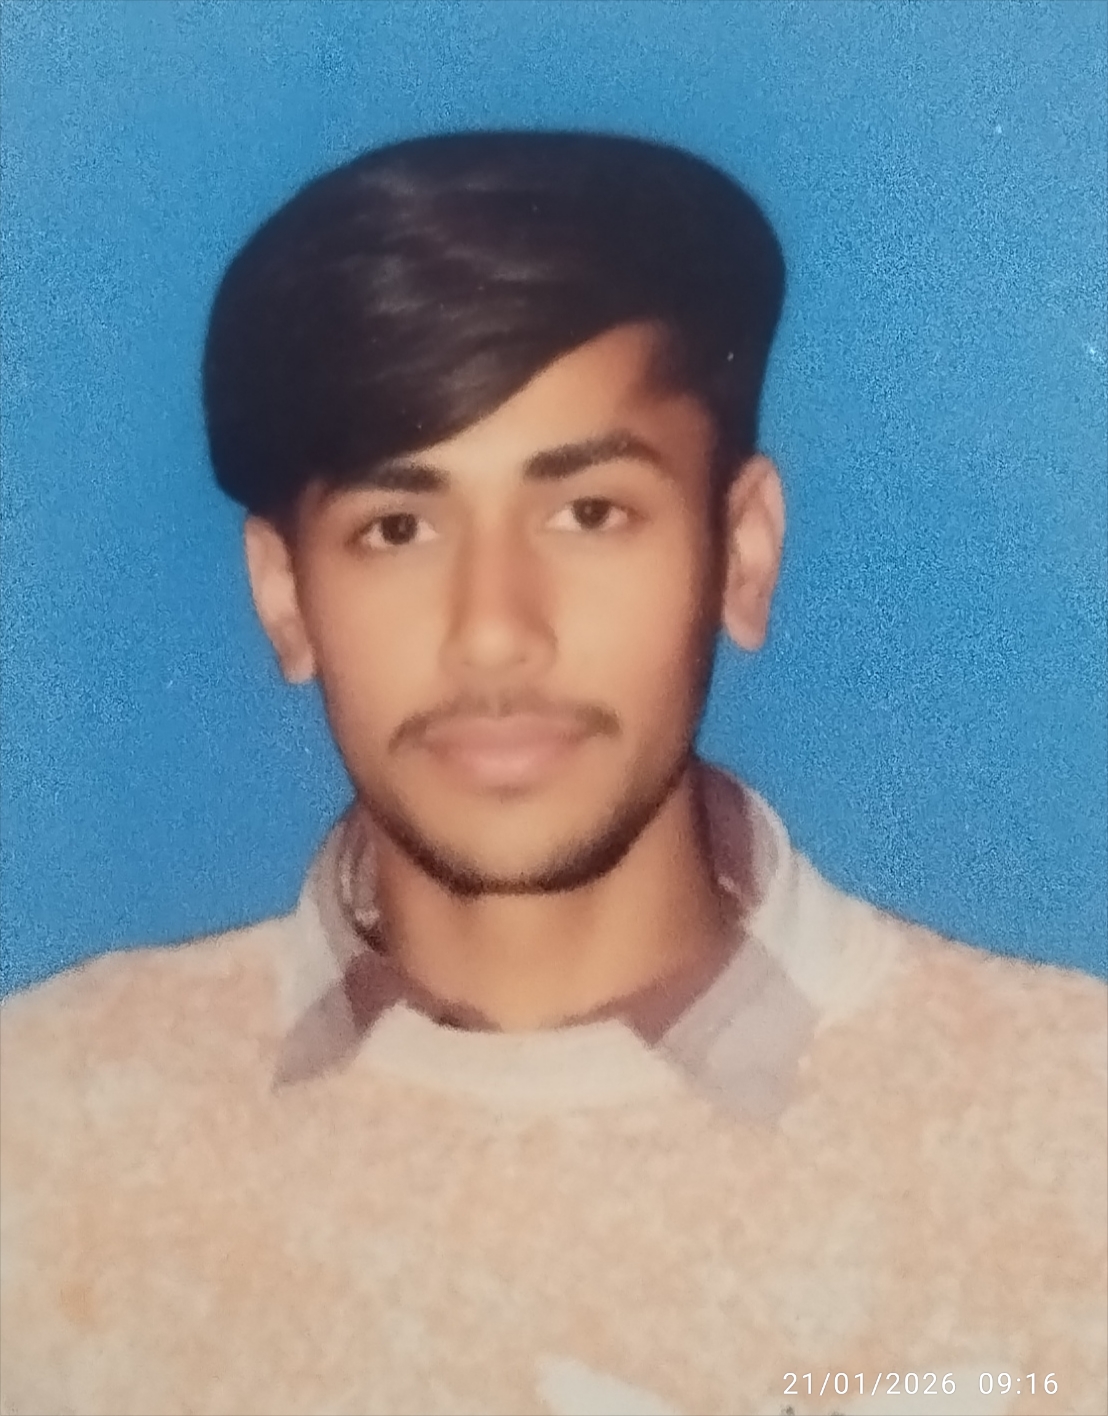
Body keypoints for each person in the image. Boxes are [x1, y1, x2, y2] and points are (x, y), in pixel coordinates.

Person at [1, 130, 1104, 1416]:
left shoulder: (1072, 1133)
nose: (493, 631)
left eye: (589, 513)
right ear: (285, 596)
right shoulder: (41, 1138)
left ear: (740, 553)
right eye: (397, 528)